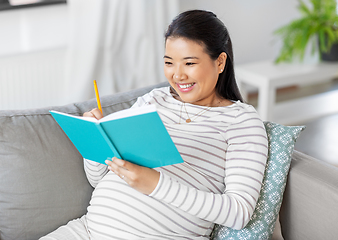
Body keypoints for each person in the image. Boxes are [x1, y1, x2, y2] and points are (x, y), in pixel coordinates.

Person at [41, 9, 268, 240]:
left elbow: (239, 212)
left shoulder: (241, 121)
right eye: (169, 62)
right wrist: (93, 143)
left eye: (189, 63)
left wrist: (155, 184)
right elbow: (100, 179)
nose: (177, 75)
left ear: (219, 62)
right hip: (87, 231)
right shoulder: (153, 100)